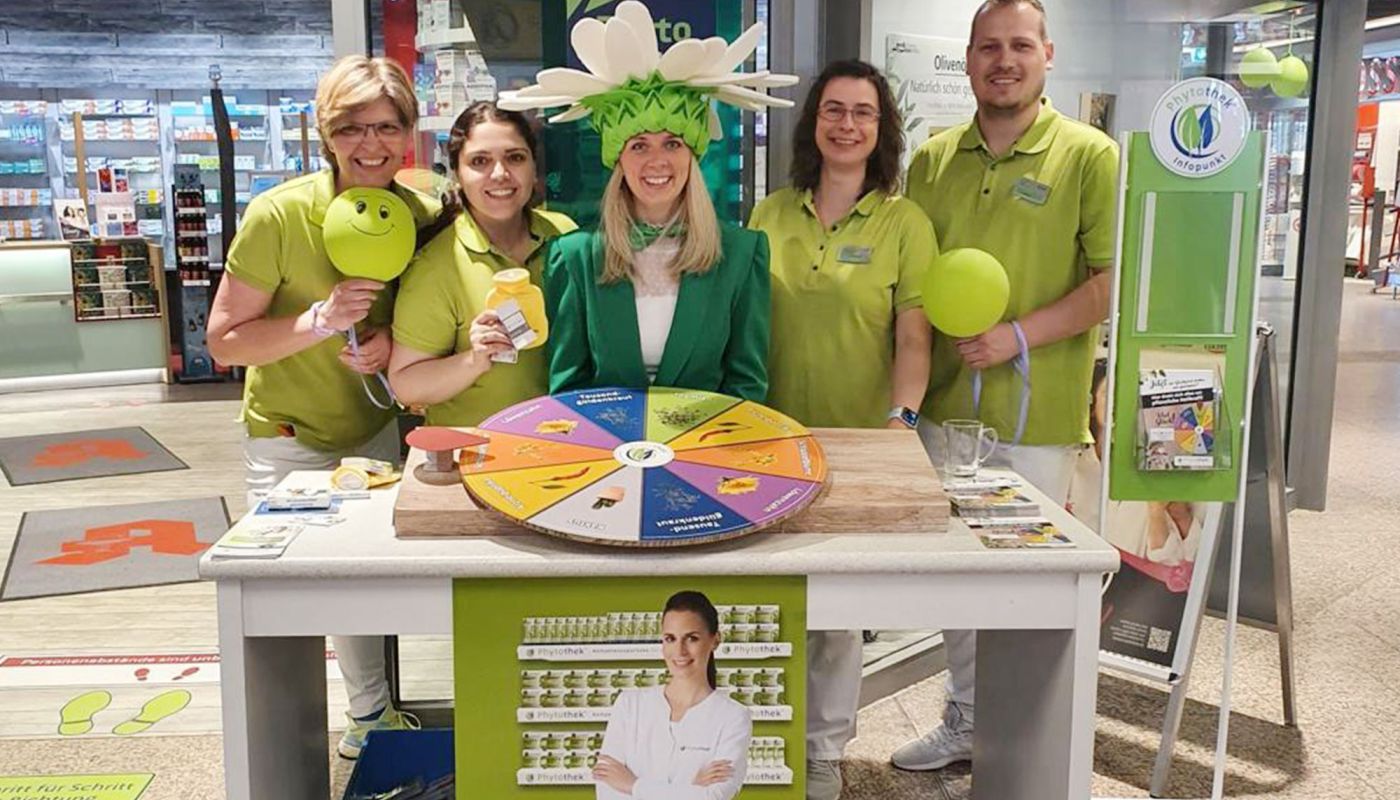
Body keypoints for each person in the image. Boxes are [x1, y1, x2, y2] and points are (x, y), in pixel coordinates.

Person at [893, 0, 1120, 772]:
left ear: (1047, 54)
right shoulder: (930, 158)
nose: (1004, 60)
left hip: (1038, 418)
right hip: (946, 407)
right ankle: (964, 719)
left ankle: (1028, 741)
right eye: (989, 46)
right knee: (955, 586)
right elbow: (912, 282)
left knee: (1033, 587)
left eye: (1020, 45)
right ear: (967, 59)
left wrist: (1018, 335)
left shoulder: (1089, 156)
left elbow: (1109, 284)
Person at [205, 55, 437, 759]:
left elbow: (426, 319)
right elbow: (223, 342)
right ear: (326, 133)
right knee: (279, 601)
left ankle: (370, 718)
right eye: (351, 128)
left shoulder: (421, 214)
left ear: (408, 135)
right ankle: (277, 744)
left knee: (364, 594)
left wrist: (390, 340)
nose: (370, 145)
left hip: (372, 434)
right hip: (287, 436)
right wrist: (317, 320)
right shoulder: (280, 215)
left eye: (386, 127)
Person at [747, 59, 935, 800]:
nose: (847, 124)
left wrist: (902, 423)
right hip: (766, 437)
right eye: (834, 110)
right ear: (813, 123)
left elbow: (914, 336)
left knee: (835, 610)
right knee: (763, 595)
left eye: (863, 112)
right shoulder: (769, 214)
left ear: (881, 128)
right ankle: (755, 739)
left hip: (857, 441)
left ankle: (823, 750)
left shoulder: (903, 222)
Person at [498, 1, 796, 401]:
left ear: (693, 154)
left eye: (673, 143)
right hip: (607, 449)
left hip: (704, 451)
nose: (657, 161)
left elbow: (746, 386)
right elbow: (568, 389)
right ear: (618, 158)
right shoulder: (574, 258)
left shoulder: (743, 253)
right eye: (639, 145)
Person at [388, 102, 576, 423]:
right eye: (480, 161)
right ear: (458, 174)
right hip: (478, 454)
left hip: (570, 444)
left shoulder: (565, 235)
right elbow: (406, 384)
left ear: (534, 167)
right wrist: (474, 359)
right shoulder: (437, 265)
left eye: (515, 157)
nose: (500, 174)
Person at [594, 590, 752, 800]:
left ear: (715, 640)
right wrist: (690, 789)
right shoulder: (629, 706)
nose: (680, 651)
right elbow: (608, 793)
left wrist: (633, 785)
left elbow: (713, 796)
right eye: (670, 638)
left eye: (692, 639)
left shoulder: (733, 716)